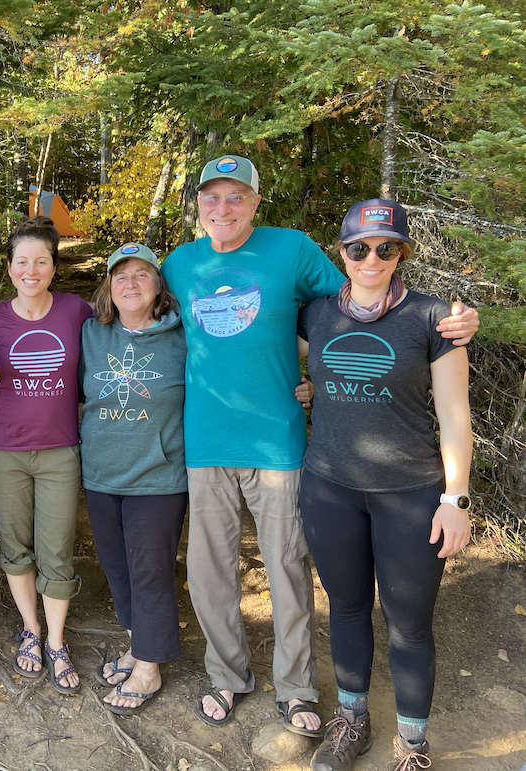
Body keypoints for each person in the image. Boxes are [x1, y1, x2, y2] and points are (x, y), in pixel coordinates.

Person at [160, 155, 479, 734]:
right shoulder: (178, 264)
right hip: (205, 440)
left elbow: (361, 307)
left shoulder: (292, 250)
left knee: (286, 568)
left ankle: (297, 688)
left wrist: (451, 323)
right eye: (213, 197)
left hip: (281, 442)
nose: (224, 208)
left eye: (236, 197)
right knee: (210, 573)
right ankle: (227, 677)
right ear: (199, 205)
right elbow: (141, 320)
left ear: (256, 203)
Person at [298, 200, 472, 771]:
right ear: (341, 253)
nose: (372, 259)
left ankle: (413, 746)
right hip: (329, 487)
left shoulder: (434, 319)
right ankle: (351, 722)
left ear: (402, 254)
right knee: (345, 608)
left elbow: (454, 414)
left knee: (409, 624)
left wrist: (455, 499)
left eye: (387, 248)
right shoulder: (316, 315)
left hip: (411, 492)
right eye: (359, 248)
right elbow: (284, 362)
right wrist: (307, 392)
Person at [0, 216, 93, 694]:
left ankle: (57, 642)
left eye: (41, 261)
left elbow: (104, 361)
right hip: (5, 449)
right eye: (22, 261)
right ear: (9, 268)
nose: (31, 269)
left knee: (57, 550)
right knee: (15, 546)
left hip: (61, 450)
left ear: (53, 266)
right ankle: (31, 629)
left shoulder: (76, 311)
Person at [79, 243, 188, 715]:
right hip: (102, 472)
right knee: (117, 568)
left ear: (158, 285)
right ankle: (137, 643)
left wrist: (297, 383)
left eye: (142, 274)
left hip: (159, 475)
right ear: (108, 287)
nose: (130, 283)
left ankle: (149, 664)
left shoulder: (184, 336)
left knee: (150, 571)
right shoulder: (90, 333)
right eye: (120, 275)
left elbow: (230, 375)